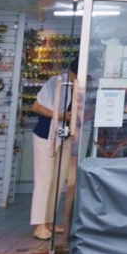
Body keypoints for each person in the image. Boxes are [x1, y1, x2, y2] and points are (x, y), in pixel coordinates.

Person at [30, 56, 77, 240]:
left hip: (64, 136)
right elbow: (36, 107)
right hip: (46, 135)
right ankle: (39, 224)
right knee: (45, 179)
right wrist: (61, 116)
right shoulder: (58, 82)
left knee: (58, 180)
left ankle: (49, 220)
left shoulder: (78, 88)